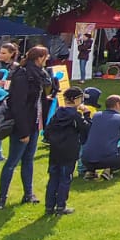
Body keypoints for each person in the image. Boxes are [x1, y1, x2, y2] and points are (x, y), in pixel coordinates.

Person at [0, 44, 55, 209]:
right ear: (39, 58)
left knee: (28, 160)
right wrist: (23, 131)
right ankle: (2, 199)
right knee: (12, 162)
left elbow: (42, 98)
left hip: (35, 124)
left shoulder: (40, 74)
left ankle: (28, 194)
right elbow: (18, 105)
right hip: (23, 125)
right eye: (45, 56)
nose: (47, 59)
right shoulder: (23, 75)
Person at [43, 87, 90, 215]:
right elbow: (86, 129)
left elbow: (47, 132)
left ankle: (49, 206)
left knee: (53, 178)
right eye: (80, 99)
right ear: (75, 100)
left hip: (55, 152)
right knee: (65, 179)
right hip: (69, 152)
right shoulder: (75, 116)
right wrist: (86, 115)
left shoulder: (57, 114)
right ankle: (61, 206)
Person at [83, 94, 120, 177]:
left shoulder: (96, 116)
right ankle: (109, 170)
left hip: (86, 159)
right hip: (106, 159)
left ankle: (90, 171)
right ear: (117, 104)